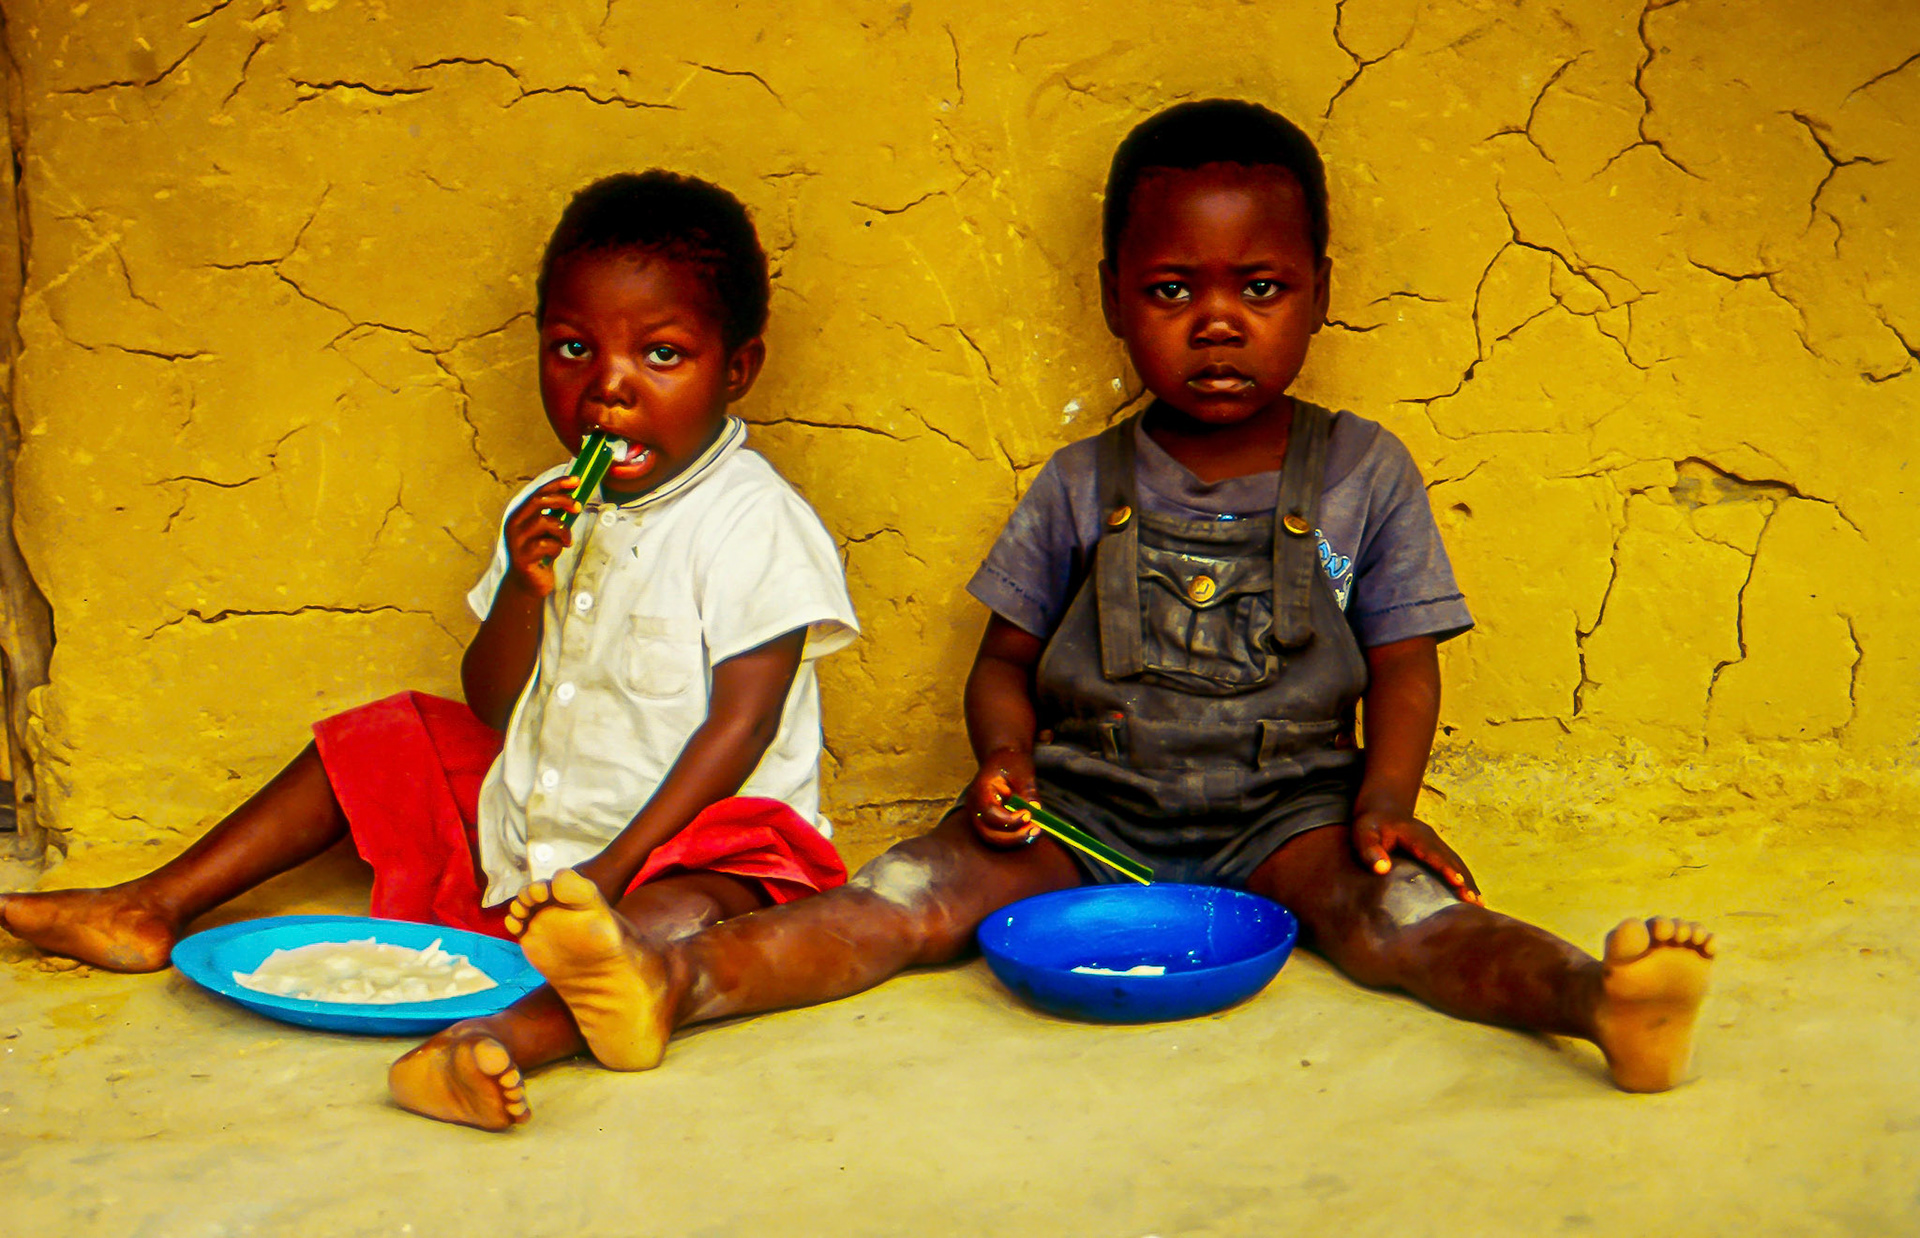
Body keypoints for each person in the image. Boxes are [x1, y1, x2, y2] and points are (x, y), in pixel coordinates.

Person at [418, 99, 1716, 1097]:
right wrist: (1004, 760)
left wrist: (1383, 801)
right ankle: (668, 978)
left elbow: (1405, 662)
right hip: (1078, 809)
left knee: (1411, 923)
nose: (1218, 323)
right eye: (1173, 291)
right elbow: (1006, 657)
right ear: (1114, 303)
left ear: (1317, 291)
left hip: (1291, 817)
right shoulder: (1081, 480)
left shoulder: (1364, 472)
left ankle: (1600, 999)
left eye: (1258, 290)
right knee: (898, 897)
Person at [0, 171, 861, 1128]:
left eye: (661, 355)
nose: (608, 386)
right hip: (547, 830)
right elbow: (494, 704)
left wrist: (611, 875)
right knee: (391, 736)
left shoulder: (754, 521)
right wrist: (525, 597)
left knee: (698, 899)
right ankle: (153, 904)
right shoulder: (543, 508)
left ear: (736, 371)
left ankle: (500, 1039)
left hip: (694, 845)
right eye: (572, 349)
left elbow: (741, 728)